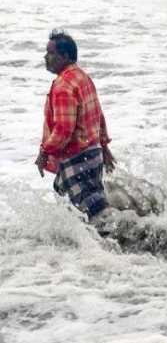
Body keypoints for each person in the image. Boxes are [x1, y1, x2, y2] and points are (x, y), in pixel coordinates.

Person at [36, 30, 115, 220]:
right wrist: (103, 146)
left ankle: (114, 244)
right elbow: (98, 114)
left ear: (64, 56)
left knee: (94, 215)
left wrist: (44, 151)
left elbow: (64, 129)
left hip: (76, 158)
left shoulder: (63, 86)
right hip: (92, 154)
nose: (46, 57)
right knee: (72, 198)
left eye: (51, 53)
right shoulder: (82, 77)